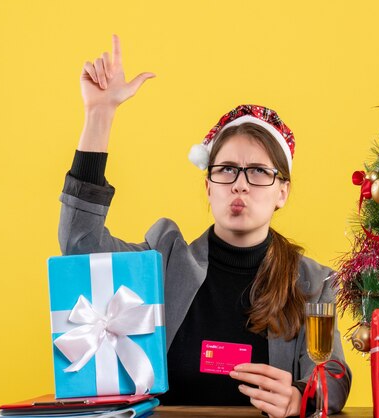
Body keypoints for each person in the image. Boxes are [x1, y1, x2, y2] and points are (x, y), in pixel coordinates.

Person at [58, 34, 351, 418]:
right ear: (209, 186)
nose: (241, 183)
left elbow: (333, 372)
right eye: (227, 169)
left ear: (283, 191)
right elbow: (80, 245)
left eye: (259, 171)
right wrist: (99, 115)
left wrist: (300, 397)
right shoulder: (163, 257)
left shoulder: (312, 282)